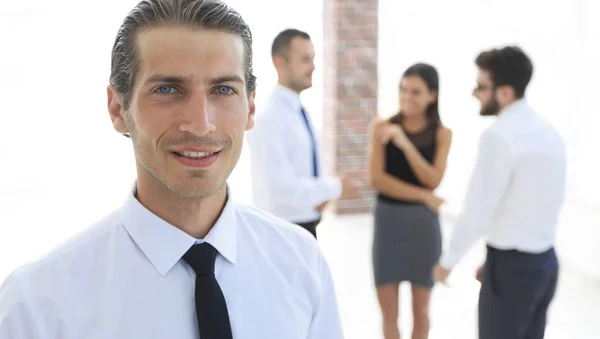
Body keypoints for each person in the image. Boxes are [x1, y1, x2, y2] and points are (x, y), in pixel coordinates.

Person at [0, 1, 345, 338]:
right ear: (118, 108)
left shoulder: (302, 264)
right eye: (167, 89)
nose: (200, 124)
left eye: (223, 89)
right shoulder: (36, 306)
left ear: (250, 106)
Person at [433, 46, 566, 339]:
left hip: (512, 271)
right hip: (544, 264)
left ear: (505, 92)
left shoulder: (499, 137)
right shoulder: (548, 132)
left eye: (481, 86)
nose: (474, 93)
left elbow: (477, 210)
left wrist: (447, 263)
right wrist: (494, 258)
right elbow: (537, 202)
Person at [246, 28, 359, 238]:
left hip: (304, 227)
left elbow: (304, 169)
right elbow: (282, 189)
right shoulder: (269, 119)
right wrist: (335, 187)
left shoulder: (300, 112)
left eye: (313, 59)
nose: (314, 67)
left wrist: (320, 196)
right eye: (305, 60)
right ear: (279, 63)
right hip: (280, 232)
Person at [368, 63, 451, 339]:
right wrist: (423, 197)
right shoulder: (381, 127)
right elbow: (377, 180)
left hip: (423, 230)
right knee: (388, 315)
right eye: (403, 89)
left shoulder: (442, 134)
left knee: (421, 312)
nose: (407, 97)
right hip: (388, 224)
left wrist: (405, 143)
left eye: (416, 92)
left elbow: (433, 179)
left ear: (432, 95)